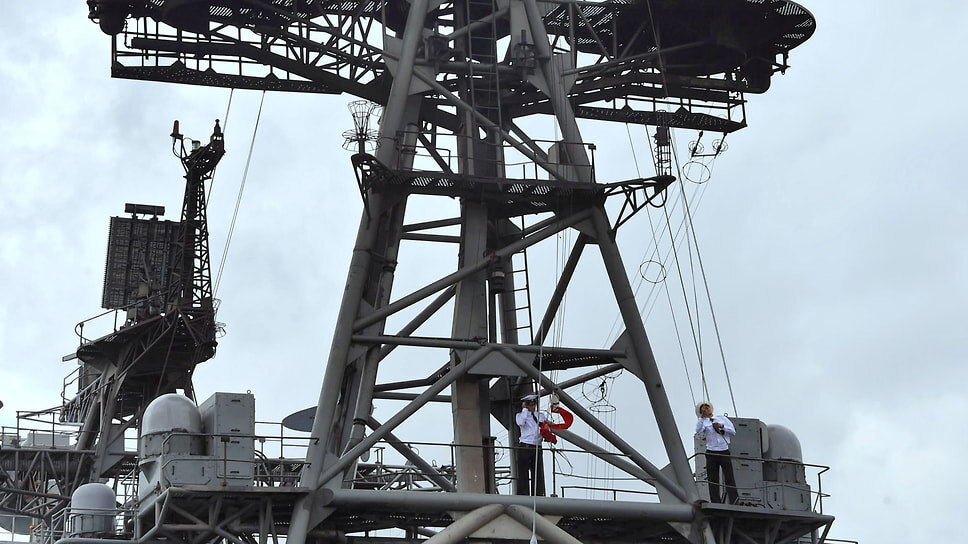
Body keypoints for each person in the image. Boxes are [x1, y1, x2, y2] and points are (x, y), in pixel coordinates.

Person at [695, 401, 738, 504]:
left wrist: (721, 426)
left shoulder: (722, 419)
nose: (706, 409)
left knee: (729, 477)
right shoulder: (703, 422)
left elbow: (733, 431)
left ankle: (734, 500)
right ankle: (715, 501)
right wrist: (702, 418)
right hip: (711, 452)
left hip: (724, 451)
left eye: (707, 407)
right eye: (703, 408)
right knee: (713, 479)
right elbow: (698, 430)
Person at [515, 394, 547, 496]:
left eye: (534, 404)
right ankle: (523, 494)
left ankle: (538, 493)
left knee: (538, 471)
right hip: (525, 445)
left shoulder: (540, 416)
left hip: (537, 446)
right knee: (523, 472)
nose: (533, 406)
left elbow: (544, 426)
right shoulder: (520, 416)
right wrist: (524, 410)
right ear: (526, 405)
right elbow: (521, 423)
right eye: (530, 404)